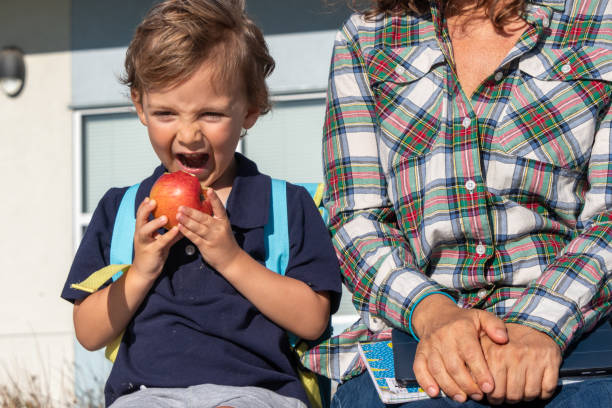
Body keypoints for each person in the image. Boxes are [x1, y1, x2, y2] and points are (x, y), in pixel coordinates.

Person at [300, 0, 612, 406]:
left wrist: (539, 325)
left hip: (575, 328)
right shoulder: (365, 37)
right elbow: (355, 218)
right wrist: (432, 313)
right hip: (409, 333)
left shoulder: (600, 19)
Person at [60, 1, 342, 407]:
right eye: (165, 113)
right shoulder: (123, 210)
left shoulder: (287, 205)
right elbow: (89, 332)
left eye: (210, 114)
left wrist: (231, 259)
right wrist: (141, 270)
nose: (189, 135)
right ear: (140, 107)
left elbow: (313, 320)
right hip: (147, 395)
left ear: (249, 109)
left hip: (259, 394)